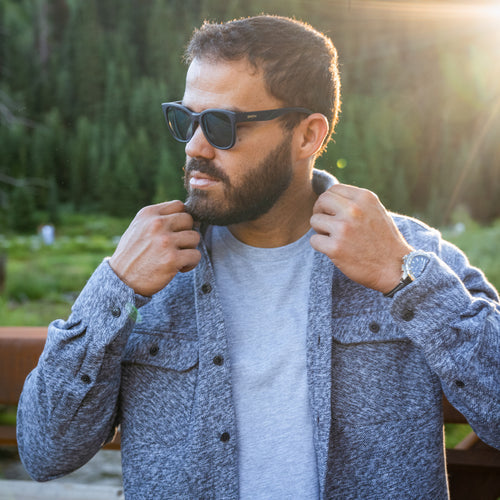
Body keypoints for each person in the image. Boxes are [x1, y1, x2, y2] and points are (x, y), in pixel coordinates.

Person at [17, 15, 499, 499]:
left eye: (222, 125)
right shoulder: (143, 269)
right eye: (186, 120)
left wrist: (406, 280)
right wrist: (114, 287)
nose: (195, 146)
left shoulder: (408, 252)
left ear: (307, 136)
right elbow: (44, 453)